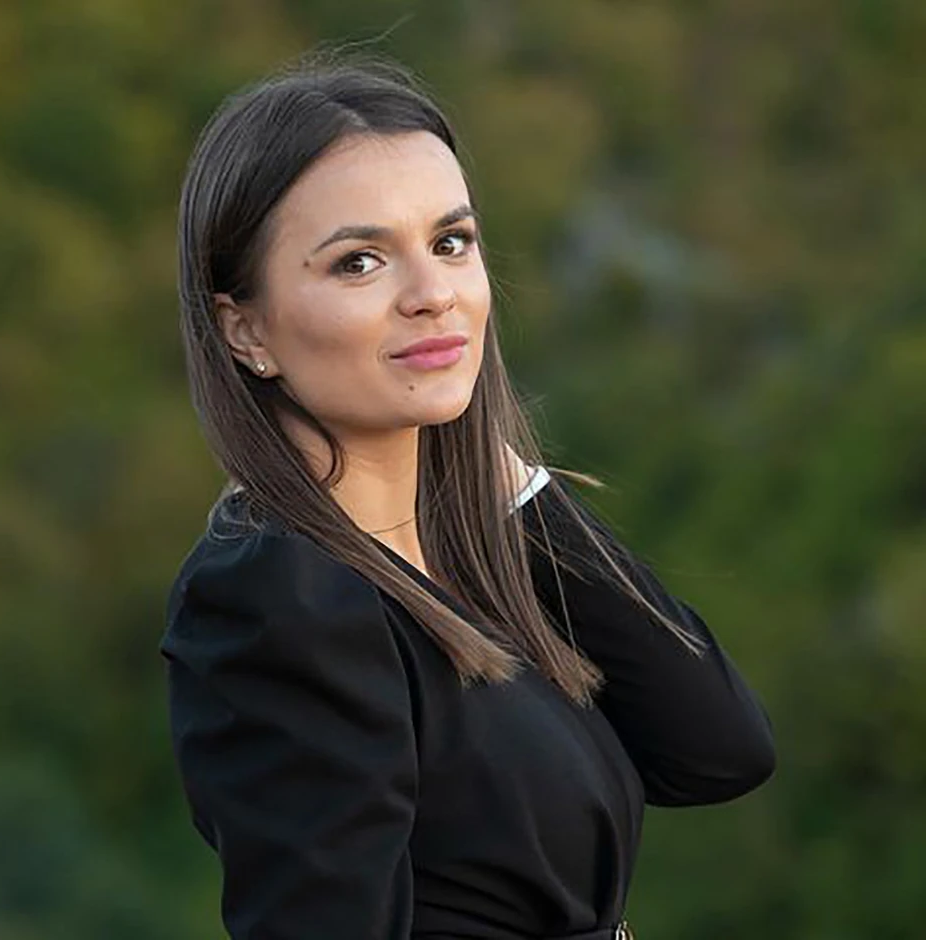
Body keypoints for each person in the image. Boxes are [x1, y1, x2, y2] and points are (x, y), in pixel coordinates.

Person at [161, 52, 775, 940]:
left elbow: (718, 750)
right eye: (360, 262)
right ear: (245, 329)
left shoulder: (467, 552)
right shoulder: (278, 595)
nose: (433, 295)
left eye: (451, 243)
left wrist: (508, 485)